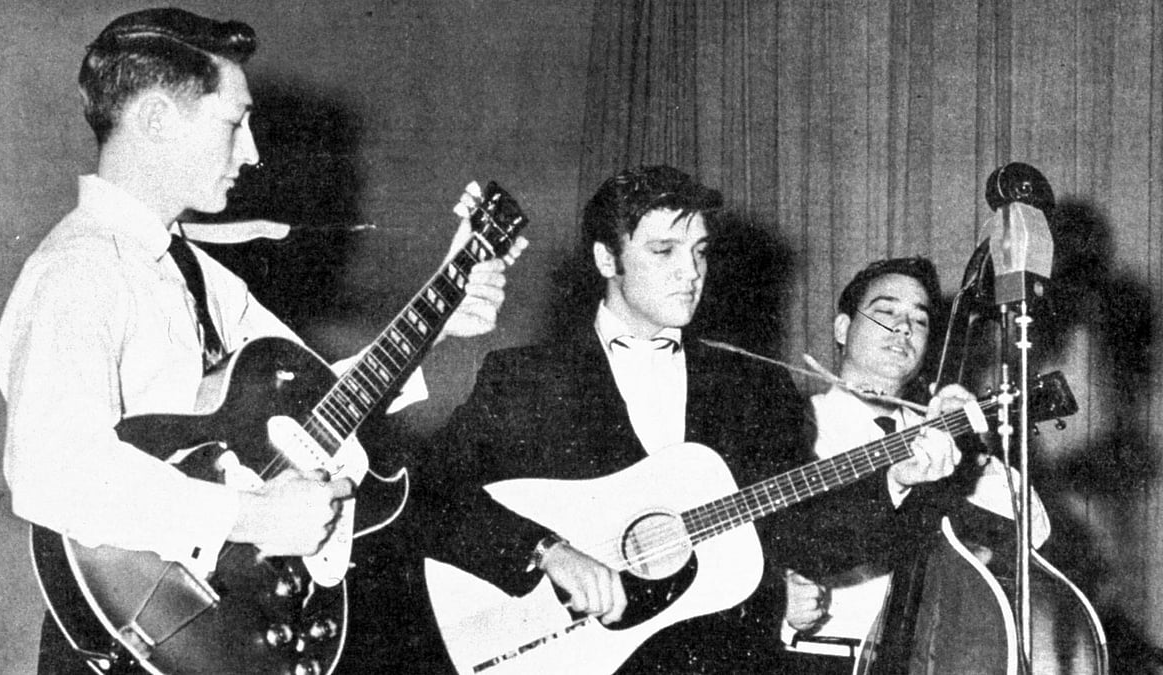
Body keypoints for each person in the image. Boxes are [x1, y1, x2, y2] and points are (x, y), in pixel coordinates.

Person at [0, 8, 524, 674]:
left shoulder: (196, 273)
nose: (252, 152)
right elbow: (52, 471)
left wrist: (438, 319)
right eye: (234, 122)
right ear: (156, 120)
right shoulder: (78, 268)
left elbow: (317, 408)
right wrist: (248, 517)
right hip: (137, 644)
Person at [411, 166, 966, 674]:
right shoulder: (528, 377)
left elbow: (809, 537)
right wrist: (546, 551)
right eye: (664, 251)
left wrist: (897, 479)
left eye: (699, 252)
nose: (691, 273)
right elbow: (432, 492)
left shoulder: (752, 387)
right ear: (608, 260)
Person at [780, 257, 1051, 673]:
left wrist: (973, 446)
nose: (903, 328)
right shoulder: (791, 425)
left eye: (919, 321)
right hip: (821, 660)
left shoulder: (939, 438)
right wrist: (782, 598)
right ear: (842, 328)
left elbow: (1033, 527)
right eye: (886, 312)